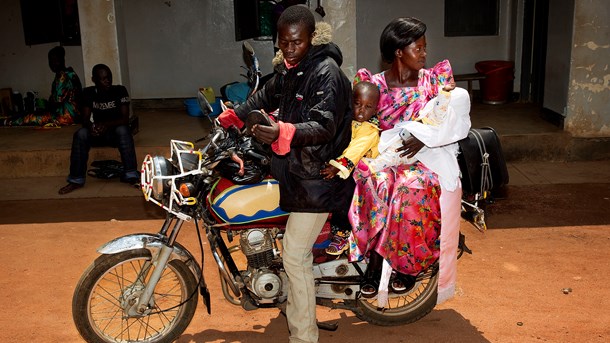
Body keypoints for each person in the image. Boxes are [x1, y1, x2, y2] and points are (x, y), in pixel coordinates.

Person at [218, 6, 353, 343]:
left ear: (312, 38)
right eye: (283, 43)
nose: (289, 49)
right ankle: (289, 302)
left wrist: (282, 131)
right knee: (283, 246)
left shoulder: (327, 73)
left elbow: (324, 125)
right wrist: (233, 117)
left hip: (318, 178)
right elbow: (263, 96)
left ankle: (304, 337)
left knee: (294, 255)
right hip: (293, 171)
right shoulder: (288, 70)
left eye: (297, 42)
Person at [347, 17, 471, 307]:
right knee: (374, 183)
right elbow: (364, 124)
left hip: (425, 158)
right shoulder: (374, 85)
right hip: (384, 154)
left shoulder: (434, 83)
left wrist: (425, 137)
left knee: (411, 187)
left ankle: (406, 263)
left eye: (425, 48)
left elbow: (449, 117)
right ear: (399, 51)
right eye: (419, 48)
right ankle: (375, 264)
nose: (425, 54)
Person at [320, 81, 381, 256]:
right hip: (349, 169)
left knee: (345, 194)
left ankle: (341, 234)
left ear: (375, 110)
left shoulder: (370, 130)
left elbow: (355, 151)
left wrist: (336, 168)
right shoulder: (349, 121)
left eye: (368, 107)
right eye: (357, 104)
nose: (361, 111)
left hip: (363, 175)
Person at [58, 64, 139, 195]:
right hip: (98, 133)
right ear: (94, 80)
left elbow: (124, 119)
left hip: (115, 134)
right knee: (81, 133)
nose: (107, 81)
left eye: (109, 77)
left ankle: (131, 175)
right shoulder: (88, 93)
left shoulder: (120, 90)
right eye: (103, 79)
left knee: (123, 130)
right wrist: (91, 127)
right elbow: (84, 119)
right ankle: (76, 180)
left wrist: (106, 125)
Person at [4, 46, 82, 126]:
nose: (53, 63)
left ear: (62, 59)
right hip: (72, 115)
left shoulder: (63, 77)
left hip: (66, 117)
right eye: (51, 61)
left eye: (56, 60)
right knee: (30, 113)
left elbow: (55, 104)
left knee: (31, 117)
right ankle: (12, 117)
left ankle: (6, 121)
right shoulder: (69, 73)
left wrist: (42, 107)